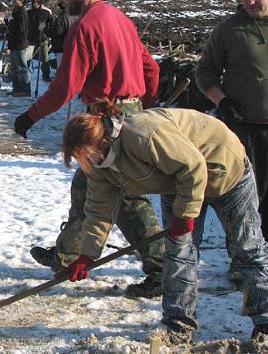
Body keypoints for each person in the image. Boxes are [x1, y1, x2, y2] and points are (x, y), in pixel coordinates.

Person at [61, 100, 268, 346]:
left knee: (247, 249)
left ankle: (265, 321)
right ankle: (178, 325)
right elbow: (99, 209)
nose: (81, 162)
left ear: (100, 141)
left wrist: (185, 215)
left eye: (82, 155)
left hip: (224, 169)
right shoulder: (98, 165)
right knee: (178, 253)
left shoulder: (143, 135)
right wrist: (87, 255)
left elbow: (193, 167)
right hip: (177, 183)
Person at [16, 0, 164, 298]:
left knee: (127, 198)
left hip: (107, 118)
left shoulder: (85, 25)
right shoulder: (119, 18)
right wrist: (143, 109)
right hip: (129, 112)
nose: (59, 3)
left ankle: (162, 268)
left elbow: (65, 86)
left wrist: (30, 116)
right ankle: (68, 255)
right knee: (87, 188)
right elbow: (152, 68)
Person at [195, 0, 268, 244]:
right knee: (244, 197)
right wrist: (222, 101)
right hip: (244, 126)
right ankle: (243, 257)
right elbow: (205, 72)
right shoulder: (228, 30)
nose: (251, 3)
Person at [6, 0, 31, 97]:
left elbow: (20, 27)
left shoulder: (22, 12)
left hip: (20, 43)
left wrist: (12, 20)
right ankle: (16, 89)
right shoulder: (16, 11)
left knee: (22, 68)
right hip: (13, 43)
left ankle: (25, 90)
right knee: (15, 68)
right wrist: (7, 20)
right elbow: (10, 27)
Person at [27, 0, 53, 82]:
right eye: (34, 2)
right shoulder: (28, 12)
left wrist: (46, 32)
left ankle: (46, 75)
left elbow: (51, 24)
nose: (35, 3)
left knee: (45, 58)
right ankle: (24, 75)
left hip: (43, 39)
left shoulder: (46, 12)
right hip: (30, 39)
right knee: (27, 58)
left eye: (37, 2)